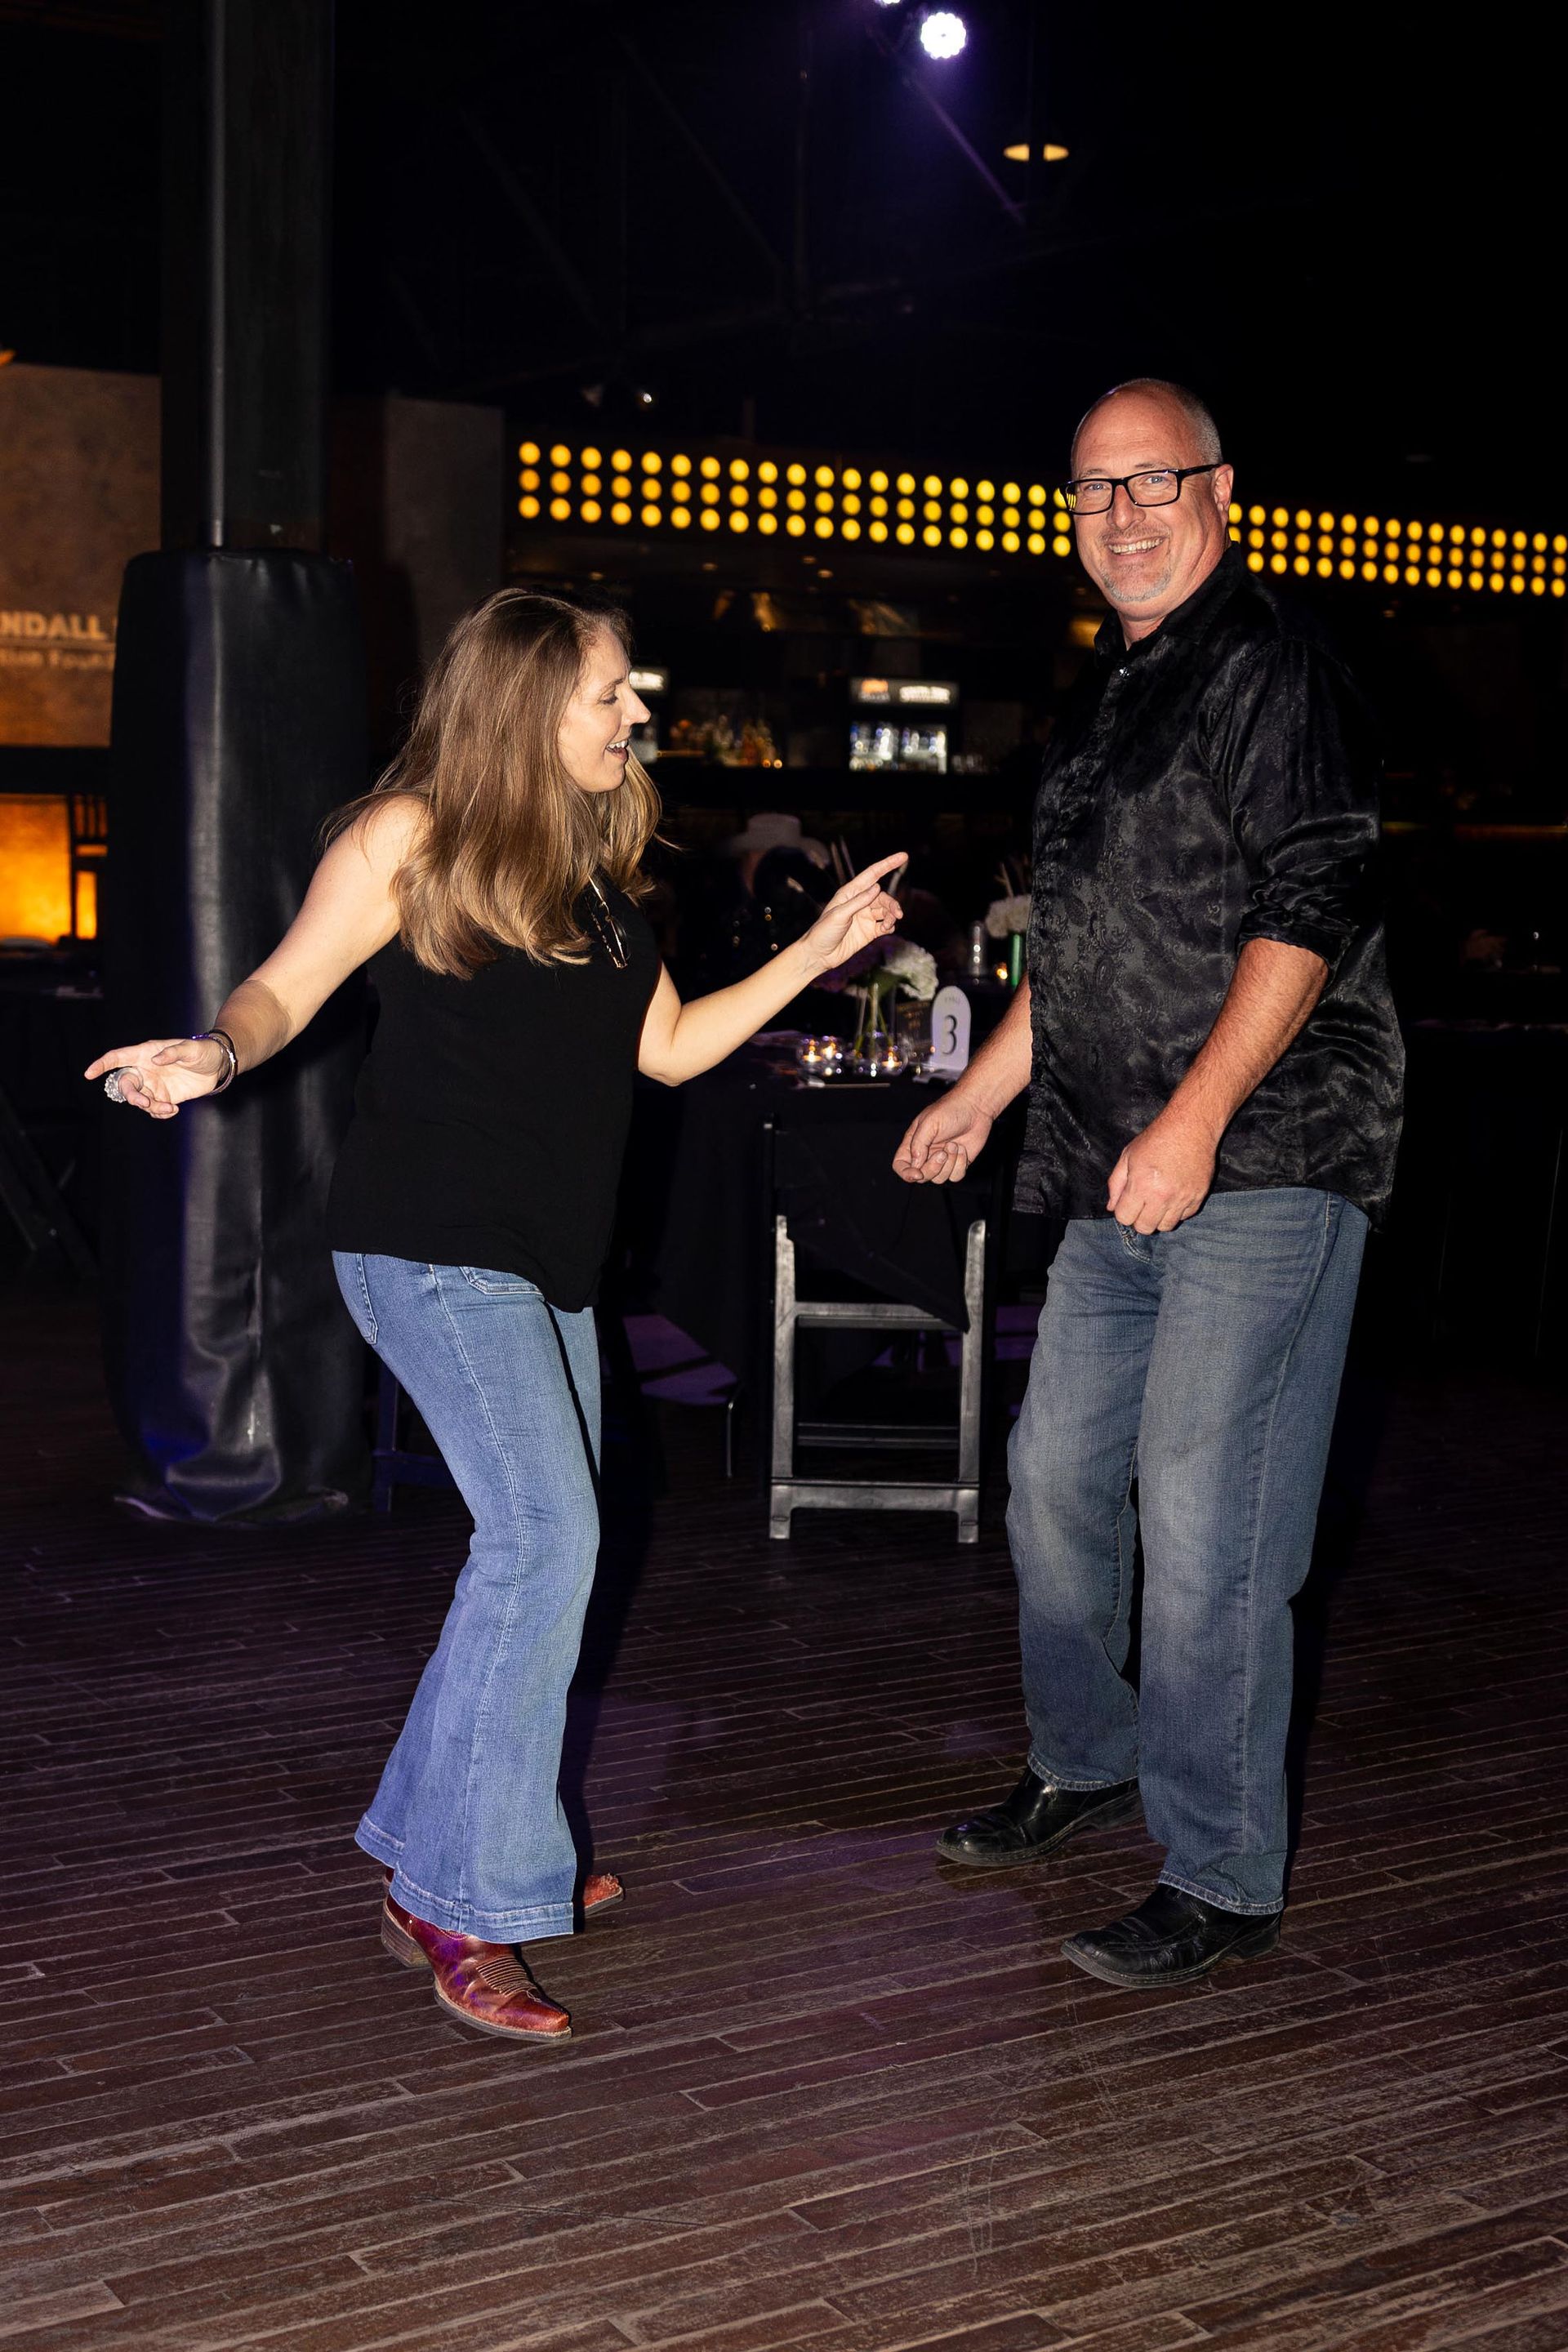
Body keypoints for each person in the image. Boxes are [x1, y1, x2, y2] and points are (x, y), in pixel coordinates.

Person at [87, 589, 906, 2047]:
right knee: (549, 1541)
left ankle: (427, 1853)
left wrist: (816, 953)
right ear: (530, 703)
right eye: (611, 694)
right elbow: (285, 987)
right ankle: (474, 1904)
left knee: (542, 1555)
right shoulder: (407, 839)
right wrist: (214, 1053)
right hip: (425, 1249)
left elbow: (666, 1053)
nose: (636, 716)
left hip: (548, 1268)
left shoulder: (594, 876)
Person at [893, 379, 1403, 1989]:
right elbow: (1092, 957)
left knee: (1208, 1514)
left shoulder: (1273, 666)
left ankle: (1223, 1867)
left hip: (1264, 1154)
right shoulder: (1111, 697)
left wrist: (1189, 1121)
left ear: (1223, 491)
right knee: (1054, 1486)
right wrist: (977, 1096)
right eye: (1093, 489)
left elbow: (1311, 904)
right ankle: (1089, 1752)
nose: (1121, 512)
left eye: (1152, 481)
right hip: (1125, 1174)